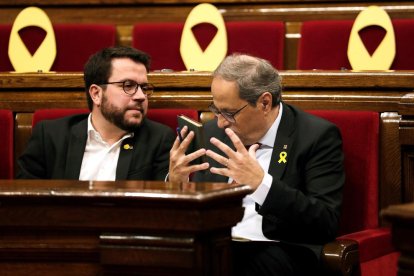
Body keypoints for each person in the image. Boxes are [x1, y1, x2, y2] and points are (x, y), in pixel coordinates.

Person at [169, 53, 345, 275]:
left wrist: (262, 185)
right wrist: (178, 185)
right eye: (216, 110)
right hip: (217, 244)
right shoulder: (215, 133)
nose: (220, 122)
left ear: (264, 103)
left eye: (229, 113)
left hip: (280, 248)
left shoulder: (316, 136)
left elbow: (325, 222)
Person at [18, 46, 175, 180]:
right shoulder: (50, 137)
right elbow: (24, 203)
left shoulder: (159, 140)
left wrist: (175, 183)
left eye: (144, 88)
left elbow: (162, 208)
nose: (141, 96)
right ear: (96, 94)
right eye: (128, 85)